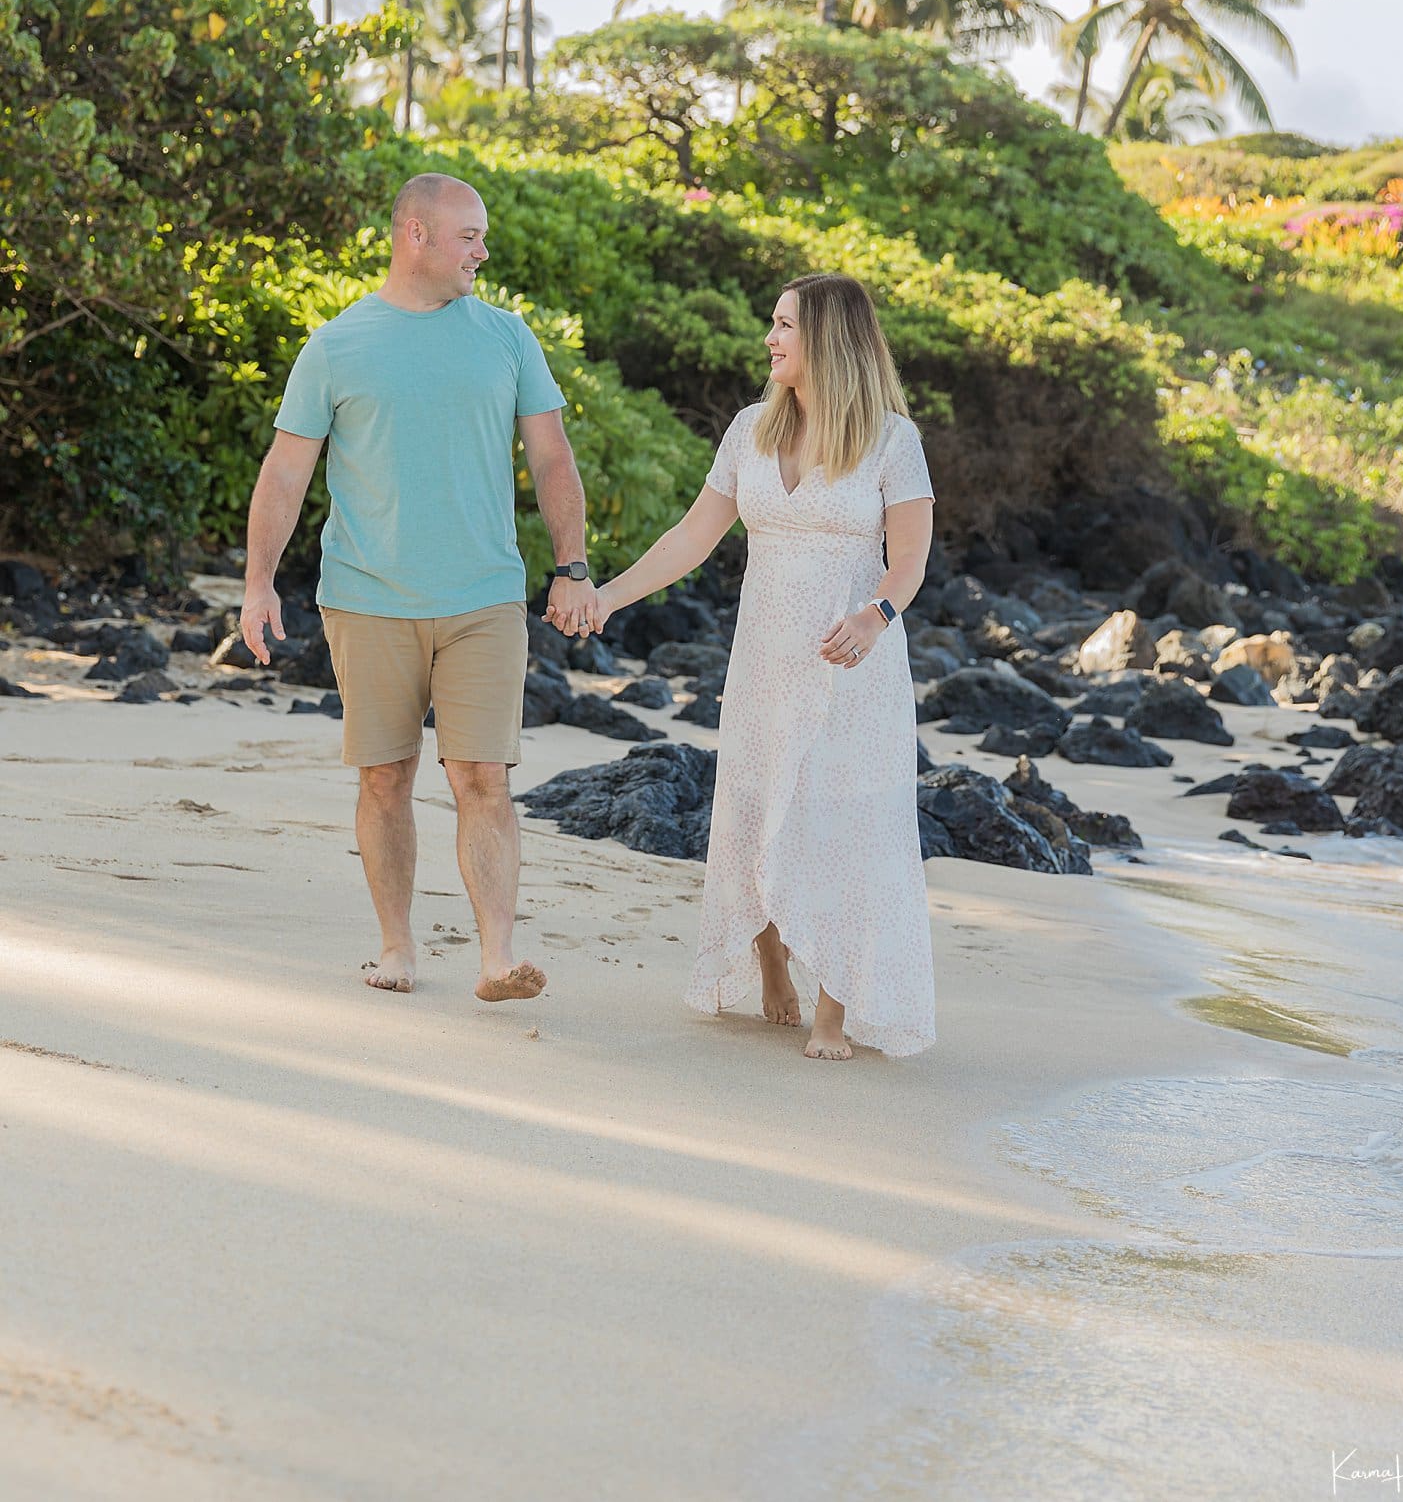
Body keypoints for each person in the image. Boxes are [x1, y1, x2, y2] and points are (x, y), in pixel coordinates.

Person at [240, 172, 599, 1003]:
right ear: (417, 236)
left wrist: (572, 564)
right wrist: (259, 584)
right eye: (469, 235)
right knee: (385, 779)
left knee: (484, 778)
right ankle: (397, 948)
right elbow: (286, 473)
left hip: (483, 597)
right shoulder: (336, 345)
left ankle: (498, 959)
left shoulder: (508, 338)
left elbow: (552, 458)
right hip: (367, 597)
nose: (483, 249)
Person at [591, 272, 936, 1061]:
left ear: (831, 340)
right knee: (756, 804)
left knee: (845, 822)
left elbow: (911, 560)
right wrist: (610, 597)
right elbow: (692, 536)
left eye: (785, 325)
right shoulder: (750, 427)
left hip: (850, 663)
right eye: (772, 323)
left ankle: (833, 1012)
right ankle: (770, 958)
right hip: (763, 659)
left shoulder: (891, 439)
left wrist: (875, 616)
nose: (771, 338)